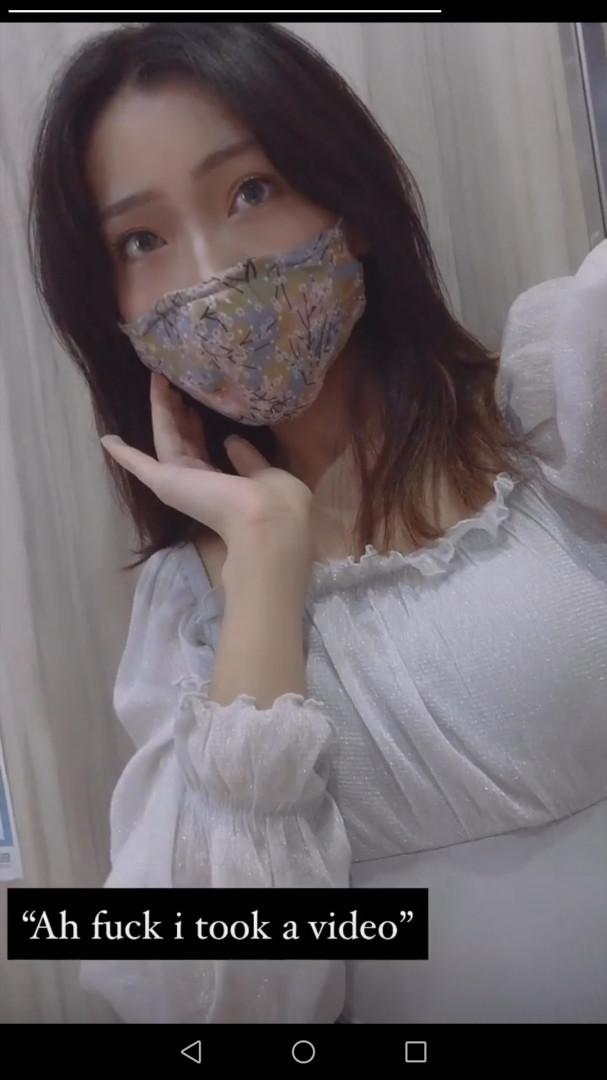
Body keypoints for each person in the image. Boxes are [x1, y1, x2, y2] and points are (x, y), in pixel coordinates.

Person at [27, 21, 606, 1025]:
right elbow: (232, 1002)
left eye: (250, 190)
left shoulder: (552, 410)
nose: (210, 270)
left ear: (351, 203)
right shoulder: (188, 618)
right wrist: (260, 565)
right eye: (141, 240)